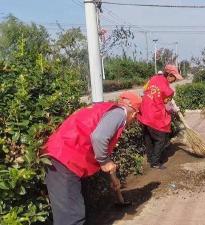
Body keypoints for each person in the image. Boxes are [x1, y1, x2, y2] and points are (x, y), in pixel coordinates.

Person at [42, 91, 142, 225]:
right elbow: (99, 137)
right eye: (135, 118)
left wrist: (111, 173)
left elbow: (100, 143)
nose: (133, 122)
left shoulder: (106, 108)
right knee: (71, 217)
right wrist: (105, 161)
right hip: (63, 158)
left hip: (63, 155)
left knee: (74, 208)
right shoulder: (120, 114)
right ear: (134, 114)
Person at [138, 64, 183, 169]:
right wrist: (174, 109)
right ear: (170, 75)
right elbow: (167, 107)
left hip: (144, 112)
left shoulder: (153, 79)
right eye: (175, 77)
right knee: (161, 139)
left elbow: (143, 91)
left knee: (148, 137)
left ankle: (150, 158)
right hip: (155, 115)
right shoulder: (168, 91)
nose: (175, 80)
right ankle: (155, 162)